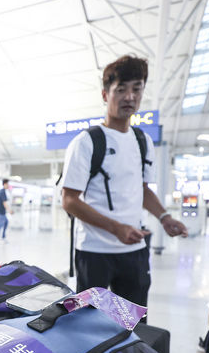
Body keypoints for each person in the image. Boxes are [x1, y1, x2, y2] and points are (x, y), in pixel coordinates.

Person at [60, 55, 187, 308]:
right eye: (121, 90)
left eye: (136, 89)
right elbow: (70, 200)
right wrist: (116, 228)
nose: (130, 97)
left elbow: (142, 190)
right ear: (105, 95)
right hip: (94, 253)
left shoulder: (143, 141)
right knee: (89, 326)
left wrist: (165, 217)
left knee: (132, 326)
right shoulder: (86, 142)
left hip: (134, 251)